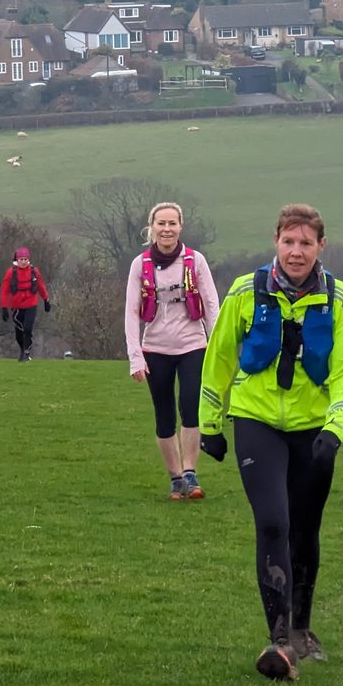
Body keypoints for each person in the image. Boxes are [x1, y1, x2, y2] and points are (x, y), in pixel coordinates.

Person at [199, 204, 343, 681]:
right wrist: (210, 424)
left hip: (314, 429)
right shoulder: (246, 292)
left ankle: (303, 631)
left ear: (320, 248)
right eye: (288, 242)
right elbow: (220, 356)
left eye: (305, 244)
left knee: (305, 531)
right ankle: (278, 638)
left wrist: (335, 430)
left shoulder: (337, 298)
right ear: (276, 242)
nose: (296, 252)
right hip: (256, 421)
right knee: (273, 523)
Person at [125, 202, 221, 500]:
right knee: (164, 415)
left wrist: (218, 349)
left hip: (193, 344)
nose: (167, 229)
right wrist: (135, 357)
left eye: (172, 224)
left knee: (191, 406)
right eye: (161, 224)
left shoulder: (196, 261)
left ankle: (191, 472)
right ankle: (176, 477)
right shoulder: (140, 265)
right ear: (151, 228)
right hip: (155, 348)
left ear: (181, 227)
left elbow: (212, 305)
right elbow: (130, 312)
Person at [0, 246, 52, 362]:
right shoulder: (10, 273)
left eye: (25, 259)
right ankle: (23, 350)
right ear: (17, 260)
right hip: (16, 306)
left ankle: (27, 353)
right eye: (21, 259)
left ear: (29, 260)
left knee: (28, 328)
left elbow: (41, 286)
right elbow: (4, 291)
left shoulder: (34, 271)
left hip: (31, 303)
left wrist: (46, 300)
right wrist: (4, 307)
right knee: (19, 331)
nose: (23, 262)